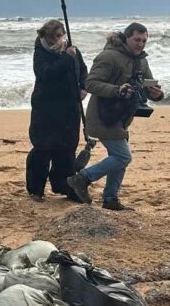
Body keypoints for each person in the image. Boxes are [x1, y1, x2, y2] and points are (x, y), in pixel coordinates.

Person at [67, 22, 164, 210]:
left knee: (118, 157)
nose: (141, 44)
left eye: (144, 40)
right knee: (122, 156)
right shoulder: (109, 56)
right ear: (126, 38)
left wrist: (157, 94)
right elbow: (91, 83)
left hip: (122, 117)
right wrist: (117, 90)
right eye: (137, 39)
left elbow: (148, 86)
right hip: (102, 115)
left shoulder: (141, 60)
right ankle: (82, 178)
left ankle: (110, 199)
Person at [26, 19, 88, 202]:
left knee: (67, 148)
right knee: (43, 148)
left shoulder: (72, 50)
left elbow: (82, 71)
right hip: (46, 108)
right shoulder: (41, 53)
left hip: (70, 107)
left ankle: (64, 186)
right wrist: (66, 57)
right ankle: (36, 189)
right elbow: (46, 74)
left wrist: (83, 87)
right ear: (44, 36)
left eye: (60, 35)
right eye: (54, 36)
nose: (58, 40)